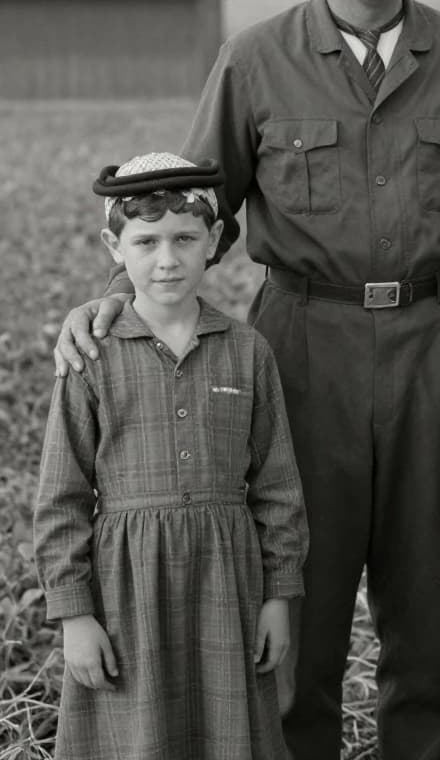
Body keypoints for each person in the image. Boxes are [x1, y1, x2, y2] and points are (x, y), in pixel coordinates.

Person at [53, 0, 440, 760]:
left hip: (439, 346)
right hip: (301, 353)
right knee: (290, 606)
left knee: (433, 608)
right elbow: (186, 205)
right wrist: (111, 299)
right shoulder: (256, 59)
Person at [34, 152, 308, 760]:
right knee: (137, 737)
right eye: (147, 240)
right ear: (114, 245)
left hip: (226, 583)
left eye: (185, 239)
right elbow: (61, 497)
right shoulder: (91, 356)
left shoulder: (247, 351)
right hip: (125, 587)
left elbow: (277, 488)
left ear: (213, 241)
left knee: (227, 733)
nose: (167, 259)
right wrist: (75, 616)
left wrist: (278, 597)